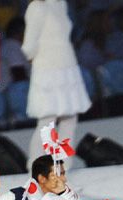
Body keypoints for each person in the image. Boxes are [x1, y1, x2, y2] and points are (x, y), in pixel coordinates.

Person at [22, 0, 92, 164]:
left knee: (70, 119)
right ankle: (36, 167)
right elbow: (28, 46)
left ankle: (63, 168)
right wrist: (40, 60)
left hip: (67, 67)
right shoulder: (37, 7)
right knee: (47, 121)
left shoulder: (60, 4)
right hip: (48, 69)